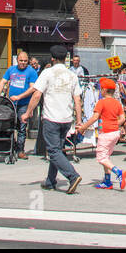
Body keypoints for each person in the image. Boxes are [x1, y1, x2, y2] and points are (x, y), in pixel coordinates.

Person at [20, 45, 84, 194]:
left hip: (51, 117)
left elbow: (36, 95)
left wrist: (28, 112)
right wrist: (79, 120)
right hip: (66, 119)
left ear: (53, 59)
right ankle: (50, 181)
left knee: (53, 151)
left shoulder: (47, 73)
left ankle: (72, 176)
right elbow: (77, 100)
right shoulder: (72, 75)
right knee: (58, 149)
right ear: (65, 59)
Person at [76, 78, 126, 190]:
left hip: (105, 133)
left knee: (101, 157)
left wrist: (83, 127)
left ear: (103, 90)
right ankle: (107, 181)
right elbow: (122, 118)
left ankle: (118, 172)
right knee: (106, 156)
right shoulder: (117, 103)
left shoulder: (101, 102)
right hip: (115, 133)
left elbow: (94, 117)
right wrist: (114, 124)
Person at [0, 50, 39, 157]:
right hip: (10, 103)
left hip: (24, 104)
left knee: (21, 127)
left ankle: (20, 150)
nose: (23, 63)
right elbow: (3, 81)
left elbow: (33, 88)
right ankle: (10, 147)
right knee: (8, 125)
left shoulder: (31, 72)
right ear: (17, 60)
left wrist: (19, 97)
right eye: (21, 60)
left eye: (25, 61)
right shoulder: (11, 70)